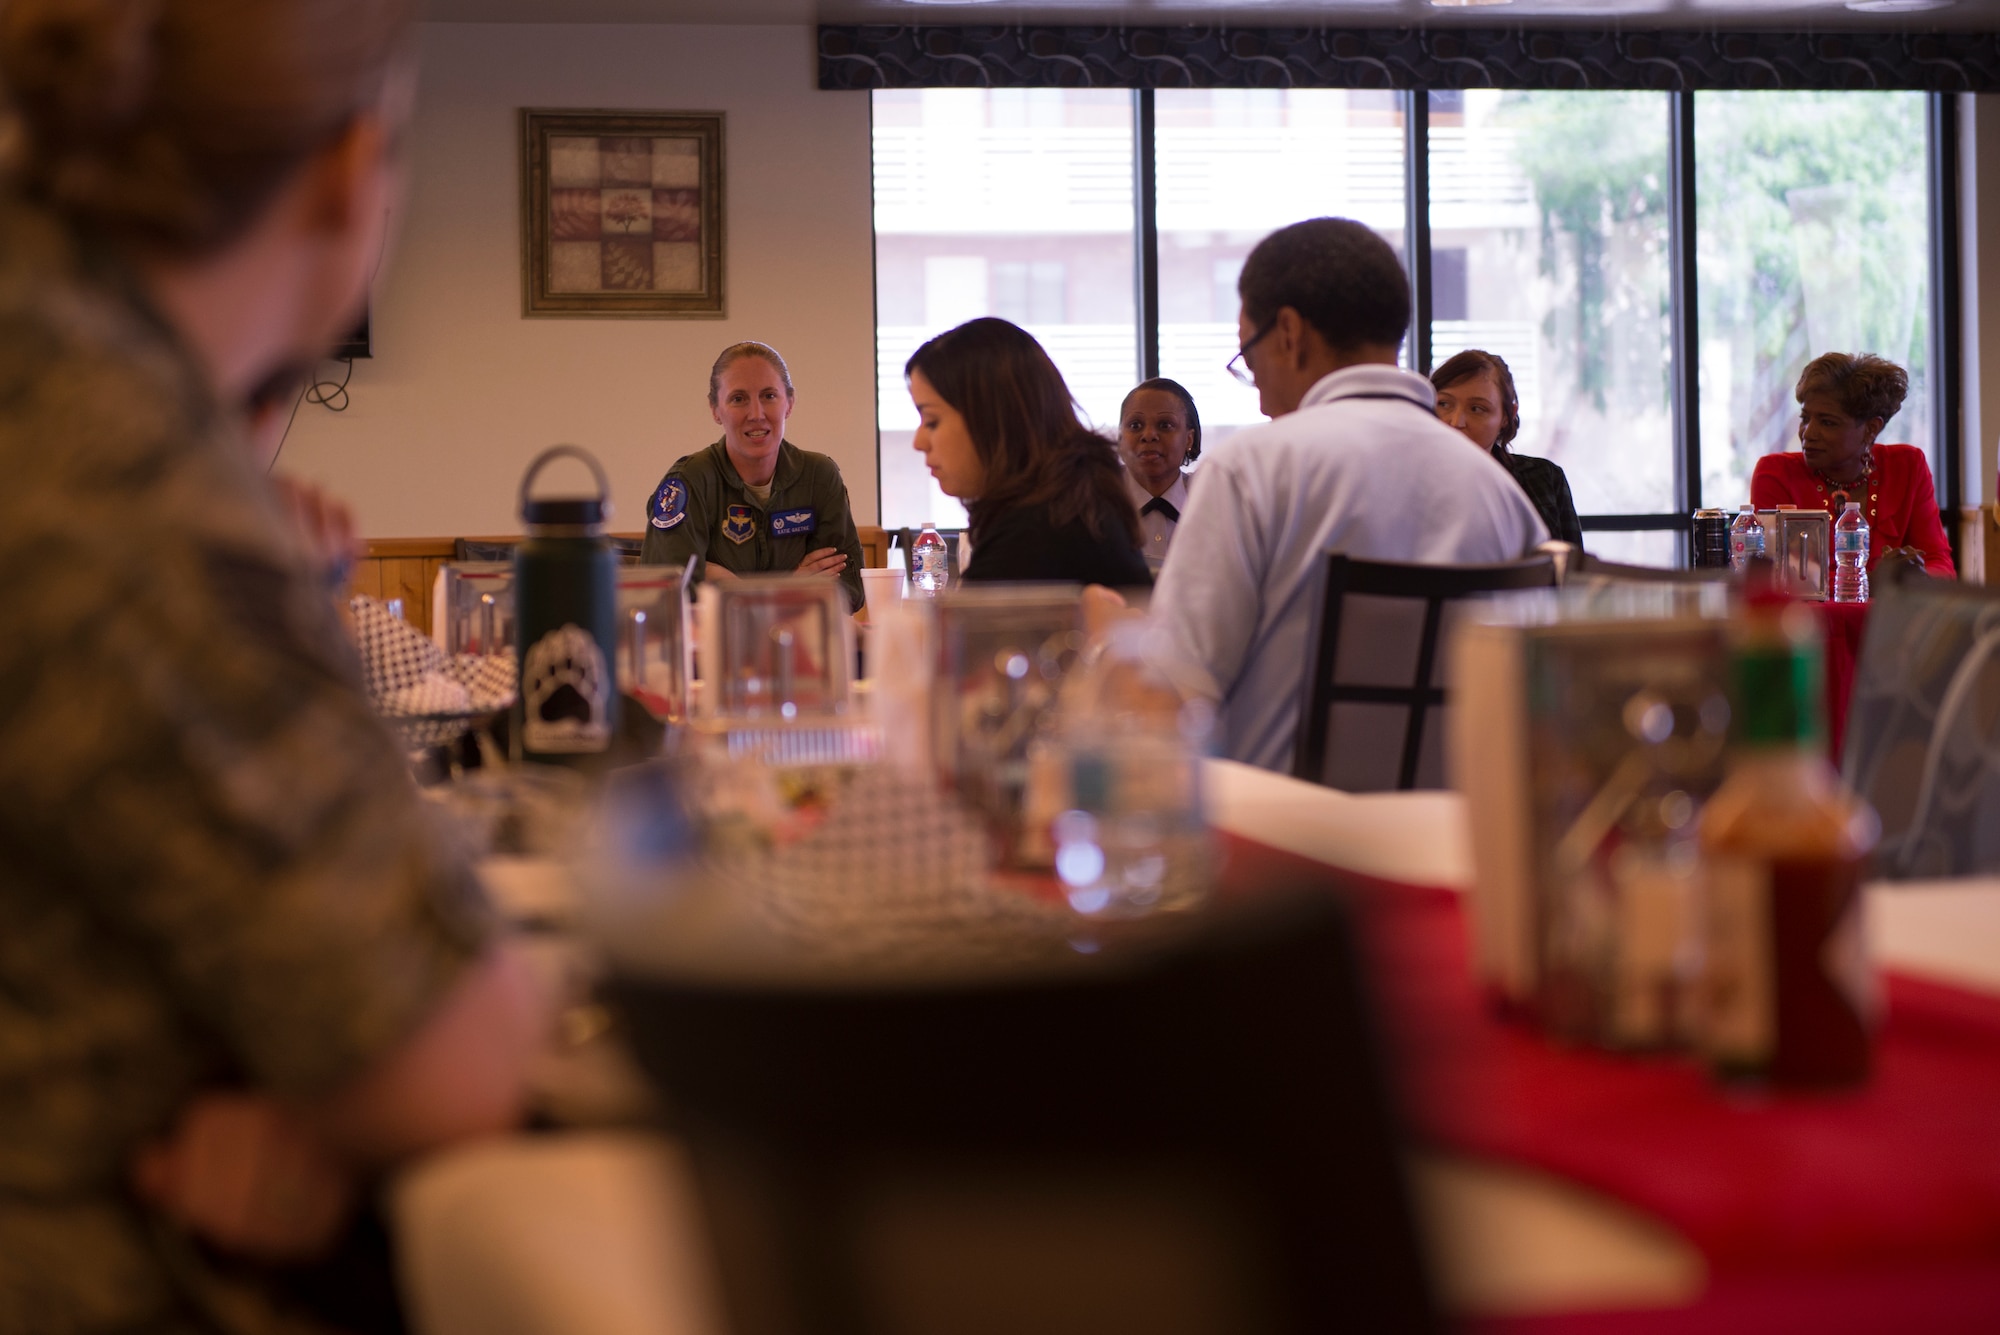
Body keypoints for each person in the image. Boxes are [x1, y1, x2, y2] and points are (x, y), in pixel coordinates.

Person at [0, 2, 547, 1330]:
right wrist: (358, 1085)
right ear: (354, 173)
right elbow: (452, 1057)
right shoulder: (112, 466)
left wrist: (304, 1085)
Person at [1147, 218, 1548, 773]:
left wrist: (1112, 644)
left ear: (1288, 334)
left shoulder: (1251, 471)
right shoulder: (1502, 499)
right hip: (1450, 846)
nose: (1259, 392)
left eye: (1250, 355)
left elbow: (1169, 703)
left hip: (1282, 847)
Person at [906, 317, 1151, 588]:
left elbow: (968, 628)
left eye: (931, 421)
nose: (919, 442)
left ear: (991, 420)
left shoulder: (1036, 534)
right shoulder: (1073, 503)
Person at [641, 341, 867, 613]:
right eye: (738, 399)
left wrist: (727, 582)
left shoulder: (819, 476)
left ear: (790, 403)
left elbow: (849, 587)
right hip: (714, 650)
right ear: (715, 409)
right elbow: (666, 590)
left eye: (769, 396)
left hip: (799, 646)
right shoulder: (688, 482)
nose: (756, 414)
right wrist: (789, 588)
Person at [1750, 352, 1955, 577]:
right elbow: (1777, 578)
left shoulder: (1907, 466)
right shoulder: (1776, 474)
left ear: (1871, 429)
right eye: (1805, 418)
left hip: (1890, 612)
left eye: (1827, 422)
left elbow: (1940, 563)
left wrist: (1917, 575)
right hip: (1805, 614)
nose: (1808, 433)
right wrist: (1879, 583)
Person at [1431, 348, 1584, 547]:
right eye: (1444, 404)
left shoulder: (1543, 478)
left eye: (1477, 409)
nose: (1456, 421)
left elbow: (1572, 571)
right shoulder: (1410, 479)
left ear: (1506, 416)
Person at [1117, 377, 1203, 574]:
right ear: (1120, 438)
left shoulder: (1210, 501)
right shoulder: (1096, 502)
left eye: (1165, 425)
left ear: (1189, 439)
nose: (1148, 435)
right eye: (1135, 425)